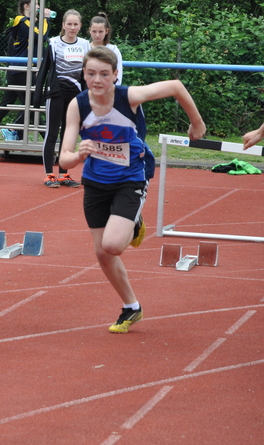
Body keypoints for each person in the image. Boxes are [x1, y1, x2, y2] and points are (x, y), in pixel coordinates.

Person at [58, 47, 205, 333]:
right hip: (95, 181)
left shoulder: (129, 97)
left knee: (113, 245)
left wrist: (196, 123)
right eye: (91, 74)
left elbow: (175, 86)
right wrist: (77, 155)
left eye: (103, 74)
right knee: (102, 253)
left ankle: (134, 221)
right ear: (84, 75)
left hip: (131, 177)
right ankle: (131, 307)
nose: (97, 80)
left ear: (115, 75)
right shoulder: (78, 106)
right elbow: (63, 157)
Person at [0, 0, 50, 147]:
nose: (38, 7)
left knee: (8, 105)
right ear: (27, 6)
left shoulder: (28, 23)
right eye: (36, 4)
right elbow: (41, 37)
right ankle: (49, 139)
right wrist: (46, 19)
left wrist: (41, 21)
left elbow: (39, 40)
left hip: (20, 70)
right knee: (33, 105)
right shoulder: (21, 21)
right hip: (21, 71)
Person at [35, 9, 90, 188]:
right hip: (56, 93)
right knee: (52, 133)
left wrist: (89, 96)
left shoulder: (84, 45)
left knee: (68, 135)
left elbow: (87, 72)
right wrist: (37, 95)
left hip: (75, 95)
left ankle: (63, 174)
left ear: (80, 26)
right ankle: (49, 174)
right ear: (63, 25)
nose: (72, 28)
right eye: (69, 24)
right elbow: (44, 69)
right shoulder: (53, 43)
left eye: (75, 24)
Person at [89, 12, 123, 84]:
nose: (97, 35)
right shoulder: (85, 48)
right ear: (90, 30)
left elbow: (118, 76)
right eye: (94, 31)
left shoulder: (113, 50)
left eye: (100, 31)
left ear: (106, 31)